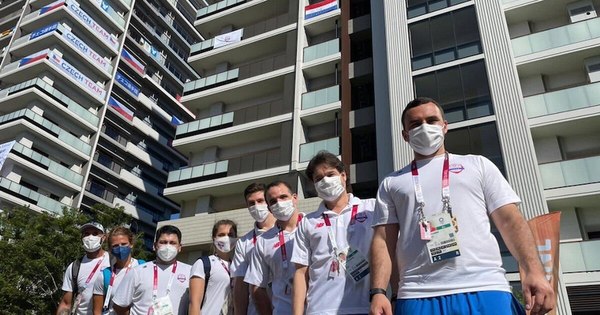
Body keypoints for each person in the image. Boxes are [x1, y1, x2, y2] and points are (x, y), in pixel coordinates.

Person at [369, 97, 555, 315]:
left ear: (444, 126)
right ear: (405, 135)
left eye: (431, 120)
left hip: (485, 286)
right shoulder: (392, 182)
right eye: (415, 124)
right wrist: (379, 291)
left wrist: (534, 271)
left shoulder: (477, 164)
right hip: (417, 293)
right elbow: (383, 241)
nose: (425, 127)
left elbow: (510, 220)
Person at [292, 151, 376, 315]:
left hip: (365, 306)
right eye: (318, 179)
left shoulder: (372, 208)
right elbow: (301, 273)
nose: (325, 181)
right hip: (320, 309)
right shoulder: (307, 222)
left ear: (343, 176)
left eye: (330, 174)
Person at [245, 181, 304, 315]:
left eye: (283, 197)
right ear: (269, 208)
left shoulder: (312, 225)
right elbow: (256, 287)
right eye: (273, 201)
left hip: (319, 308)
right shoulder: (263, 241)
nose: (279, 203)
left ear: (294, 198)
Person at [112, 225, 191, 315]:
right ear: (154, 246)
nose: (168, 247)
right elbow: (119, 306)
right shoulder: (137, 271)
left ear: (180, 247)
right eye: (163, 242)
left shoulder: (190, 272)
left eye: (172, 243)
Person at [231, 183, 276, 315]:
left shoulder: (287, 231)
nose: (256, 206)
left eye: (260, 201)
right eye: (251, 203)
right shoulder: (244, 242)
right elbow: (240, 286)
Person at [56, 222, 111, 315]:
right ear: (82, 238)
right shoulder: (74, 267)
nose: (90, 237)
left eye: (95, 233)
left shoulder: (113, 261)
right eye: (86, 234)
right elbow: (66, 303)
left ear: (104, 237)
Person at [189, 219, 238, 315]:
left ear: (236, 238)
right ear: (214, 238)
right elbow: (194, 303)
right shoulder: (204, 263)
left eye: (230, 235)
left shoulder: (239, 266)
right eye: (221, 235)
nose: (226, 238)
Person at [92, 226, 145, 315]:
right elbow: (97, 311)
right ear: (110, 249)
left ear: (131, 244)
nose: (120, 248)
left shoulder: (143, 267)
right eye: (115, 246)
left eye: (124, 244)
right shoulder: (104, 275)